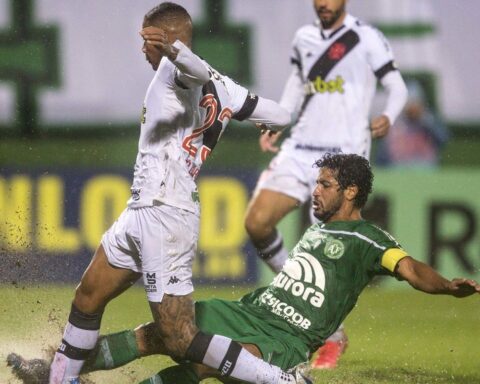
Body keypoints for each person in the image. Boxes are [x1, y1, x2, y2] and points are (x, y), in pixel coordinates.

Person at [9, 153, 480, 384]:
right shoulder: (318, 228)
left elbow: (412, 268)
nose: (315, 192)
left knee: (202, 361)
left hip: (284, 340)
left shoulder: (368, 239)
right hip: (249, 311)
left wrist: (447, 288)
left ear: (351, 192)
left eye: (325, 185)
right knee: (158, 333)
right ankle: (58, 371)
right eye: (316, 183)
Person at [37, 3, 313, 384]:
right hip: (142, 209)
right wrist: (267, 123)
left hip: (167, 213)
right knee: (87, 296)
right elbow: (282, 114)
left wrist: (171, 50)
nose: (142, 49)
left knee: (180, 338)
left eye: (146, 40)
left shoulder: (176, 70)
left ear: (166, 37)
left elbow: (195, 71)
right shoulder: (228, 88)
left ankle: (282, 381)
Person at [244, 0, 408, 369]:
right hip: (301, 148)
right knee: (256, 222)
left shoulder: (366, 37)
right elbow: (295, 91)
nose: (323, 4)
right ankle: (295, 294)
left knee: (324, 255)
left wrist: (388, 115)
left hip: (344, 155)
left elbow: (397, 87)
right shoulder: (303, 38)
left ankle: (328, 335)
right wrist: (277, 119)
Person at [375, 79, 449, 168]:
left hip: (426, 171)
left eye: (415, 102)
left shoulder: (429, 121)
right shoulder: (393, 124)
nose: (412, 106)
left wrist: (426, 120)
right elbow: (381, 158)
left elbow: (444, 139)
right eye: (409, 102)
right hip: (397, 172)